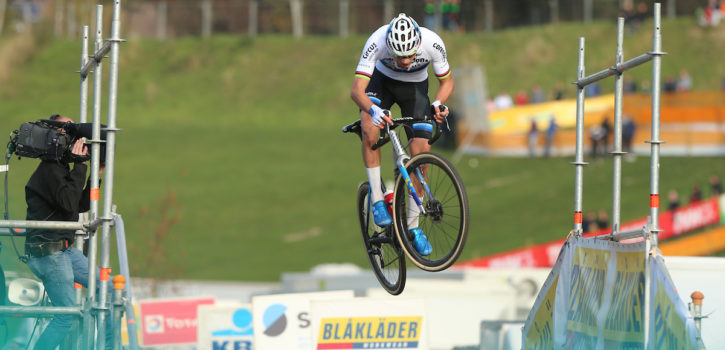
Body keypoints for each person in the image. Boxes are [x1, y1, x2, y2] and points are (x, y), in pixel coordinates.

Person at [351, 13, 453, 256]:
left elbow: (447, 82)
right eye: (399, 55)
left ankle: (413, 227)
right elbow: (357, 91)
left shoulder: (432, 42)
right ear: (390, 47)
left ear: (418, 44)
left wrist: (438, 103)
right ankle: (377, 198)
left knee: (421, 150)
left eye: (409, 54)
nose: (405, 61)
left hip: (416, 90)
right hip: (381, 83)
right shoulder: (377, 41)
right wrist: (373, 110)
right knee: (369, 128)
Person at [23, 114, 109, 349]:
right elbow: (70, 203)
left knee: (109, 290)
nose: (72, 137)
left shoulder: (60, 168)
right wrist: (80, 165)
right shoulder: (49, 170)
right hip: (49, 254)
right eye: (65, 131)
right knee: (66, 315)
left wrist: (96, 174)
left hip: (64, 250)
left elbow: (80, 205)